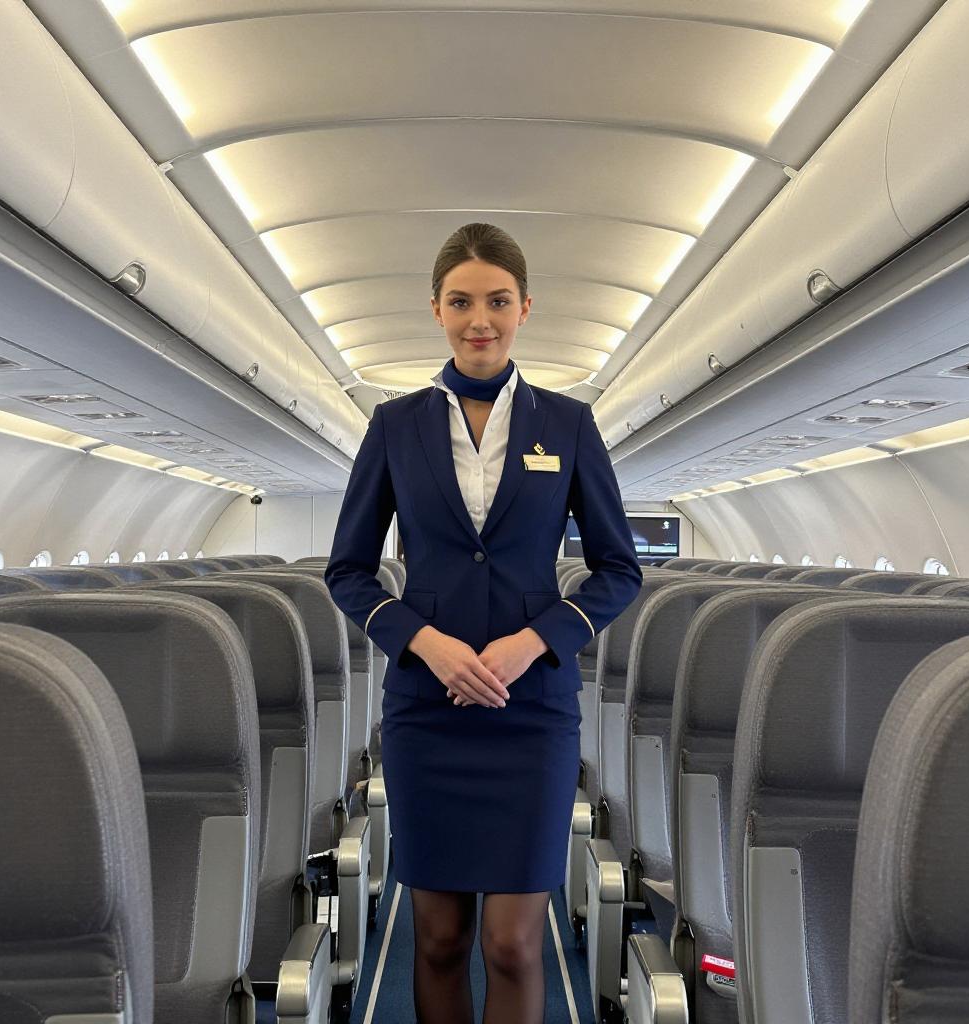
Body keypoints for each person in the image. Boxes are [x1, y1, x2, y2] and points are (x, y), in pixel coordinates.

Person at [324, 222, 642, 1023]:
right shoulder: (394, 425)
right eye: (461, 302)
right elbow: (349, 571)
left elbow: (619, 569)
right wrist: (421, 641)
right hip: (427, 714)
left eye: (498, 302)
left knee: (512, 944)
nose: (480, 321)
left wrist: (535, 641)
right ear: (436, 308)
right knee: (438, 939)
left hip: (530, 714)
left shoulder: (567, 424)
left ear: (525, 307)